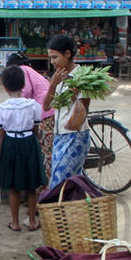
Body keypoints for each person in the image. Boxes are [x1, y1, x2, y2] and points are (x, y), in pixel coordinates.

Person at [0, 66, 47, 232]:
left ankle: (15, 222)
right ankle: (32, 221)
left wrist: (4, 149)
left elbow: (1, 134)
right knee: (31, 185)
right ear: (24, 85)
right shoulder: (34, 106)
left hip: (10, 142)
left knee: (13, 186)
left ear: (5, 87)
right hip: (29, 142)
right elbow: (36, 130)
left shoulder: (0, 109)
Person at [42, 35, 92, 191]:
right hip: (59, 136)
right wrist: (53, 85)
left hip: (74, 135)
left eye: (55, 57)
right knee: (67, 184)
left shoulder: (81, 77)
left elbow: (82, 112)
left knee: (59, 184)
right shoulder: (59, 77)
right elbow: (45, 106)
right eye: (51, 58)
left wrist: (75, 95)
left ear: (68, 54)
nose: (53, 61)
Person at [6, 52, 55, 181]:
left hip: (45, 113)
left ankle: (48, 188)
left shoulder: (22, 70)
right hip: (49, 109)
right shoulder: (31, 71)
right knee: (48, 149)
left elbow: (24, 92)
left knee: (46, 152)